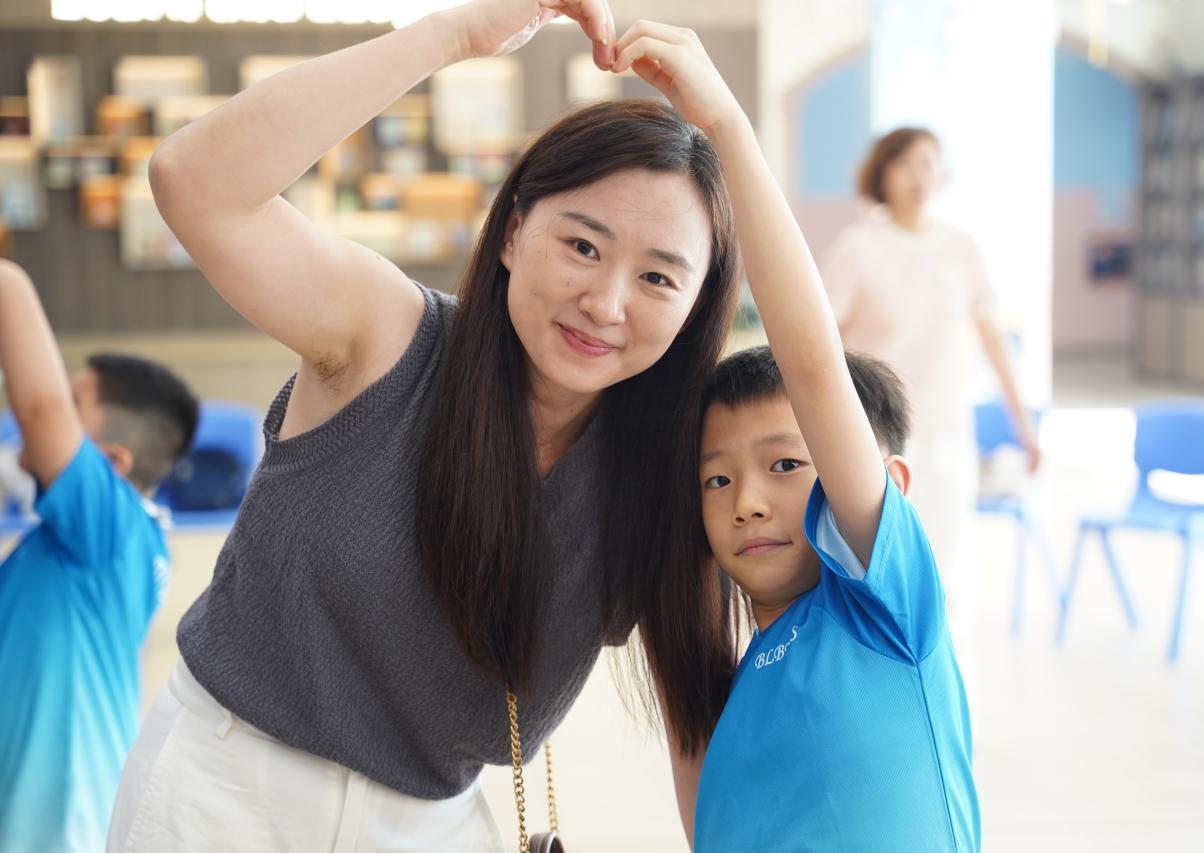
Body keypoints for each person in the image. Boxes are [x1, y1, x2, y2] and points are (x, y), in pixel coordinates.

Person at [106, 2, 742, 849]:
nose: (606, 302)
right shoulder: (388, 335)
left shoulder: (663, 471)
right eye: (583, 247)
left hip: (435, 825)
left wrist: (729, 128)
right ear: (512, 233)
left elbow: (699, 719)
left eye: (659, 278)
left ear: (697, 305)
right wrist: (453, 35)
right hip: (225, 795)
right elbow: (194, 182)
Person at [604, 37, 979, 848]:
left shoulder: (885, 612)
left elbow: (810, 359)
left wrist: (725, 126)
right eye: (715, 479)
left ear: (891, 484)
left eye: (784, 464)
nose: (746, 501)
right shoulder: (728, 692)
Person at [0, 259, 199, 853]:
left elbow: (38, 408)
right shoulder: (83, 543)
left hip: (58, 834)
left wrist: (9, 277)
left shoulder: (110, 528)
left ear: (111, 464)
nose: (51, 410)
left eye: (73, 404)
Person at [819, 127, 1040, 648]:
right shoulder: (858, 248)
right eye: (906, 164)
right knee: (876, 572)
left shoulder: (962, 248)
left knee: (944, 573)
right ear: (882, 174)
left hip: (944, 433)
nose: (919, 176)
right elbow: (820, 342)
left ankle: (935, 676)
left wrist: (1024, 427)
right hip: (872, 437)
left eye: (929, 163)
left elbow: (992, 340)